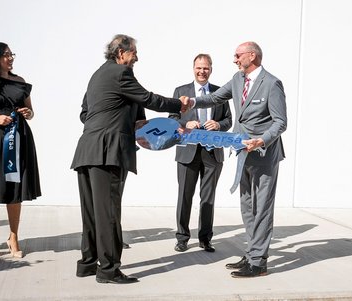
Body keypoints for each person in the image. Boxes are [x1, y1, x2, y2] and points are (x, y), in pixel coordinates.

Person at [70, 34, 188, 284]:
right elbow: (148, 98)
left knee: (92, 212)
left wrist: (125, 123)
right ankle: (109, 270)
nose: (137, 57)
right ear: (121, 53)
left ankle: (88, 264)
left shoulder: (97, 75)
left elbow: (85, 113)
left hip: (87, 150)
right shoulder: (121, 73)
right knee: (109, 213)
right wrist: (179, 104)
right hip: (108, 153)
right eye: (134, 52)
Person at [186, 41, 287, 277]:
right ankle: (252, 252)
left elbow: (280, 122)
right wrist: (191, 101)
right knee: (247, 206)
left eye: (238, 55)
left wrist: (261, 140)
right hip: (242, 151)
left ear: (252, 56)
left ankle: (259, 262)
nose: (234, 59)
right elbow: (214, 98)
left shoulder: (272, 83)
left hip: (263, 154)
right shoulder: (237, 79)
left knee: (262, 208)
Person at [0, 42, 41, 259]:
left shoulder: (20, 82)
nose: (10, 58)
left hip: (18, 139)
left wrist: (28, 113)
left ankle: (13, 236)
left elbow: (32, 112)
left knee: (14, 187)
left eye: (11, 54)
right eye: (5, 55)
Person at [169, 54, 232, 253]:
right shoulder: (181, 91)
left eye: (205, 68)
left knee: (208, 197)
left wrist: (219, 124)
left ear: (211, 69)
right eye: (198, 68)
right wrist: (185, 123)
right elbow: (171, 119)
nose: (202, 71)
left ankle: (205, 239)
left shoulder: (219, 93)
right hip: (187, 152)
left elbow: (229, 120)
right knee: (184, 196)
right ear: (193, 68)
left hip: (212, 154)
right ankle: (182, 238)